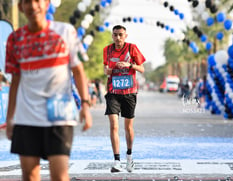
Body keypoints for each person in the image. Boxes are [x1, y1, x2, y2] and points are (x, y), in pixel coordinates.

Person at [5, 0, 92, 180]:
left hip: (58, 116)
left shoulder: (65, 32)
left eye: (37, 1)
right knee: (30, 175)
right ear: (21, 7)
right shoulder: (15, 39)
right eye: (27, 2)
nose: (32, 6)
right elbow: (15, 80)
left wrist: (85, 104)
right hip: (27, 117)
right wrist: (10, 117)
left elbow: (77, 70)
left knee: (59, 176)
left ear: (46, 4)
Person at [103, 25, 145, 173]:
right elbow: (105, 69)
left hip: (129, 92)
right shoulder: (107, 50)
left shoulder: (132, 48)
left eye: (121, 34)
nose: (118, 38)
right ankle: (116, 161)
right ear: (112, 36)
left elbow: (142, 68)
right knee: (114, 125)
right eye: (115, 35)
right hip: (113, 91)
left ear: (125, 36)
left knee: (128, 127)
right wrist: (109, 70)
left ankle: (129, 156)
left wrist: (130, 65)